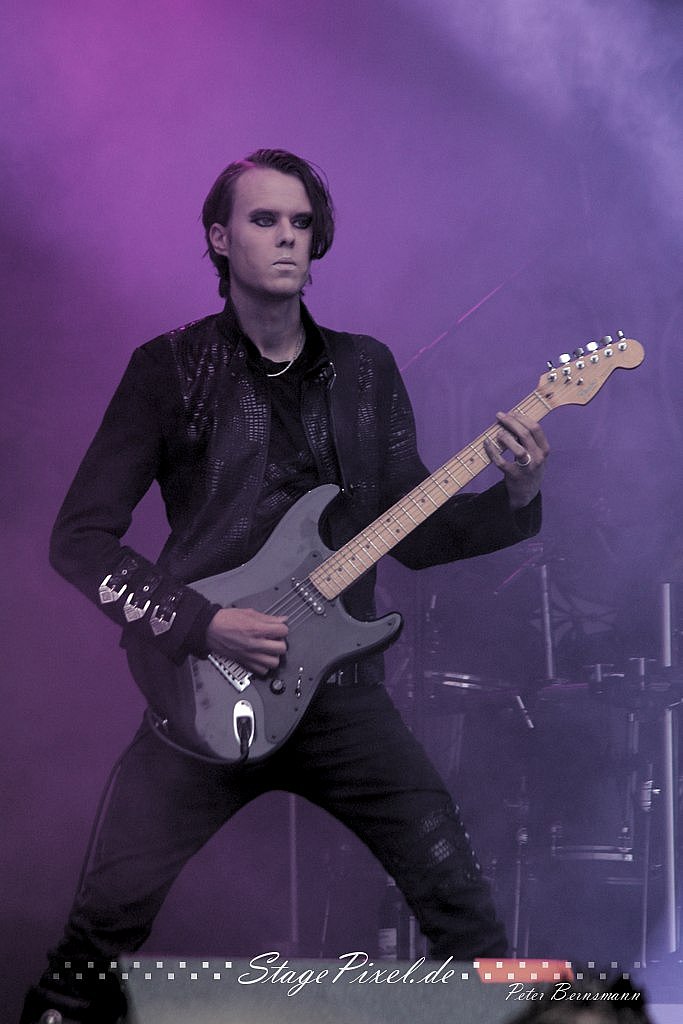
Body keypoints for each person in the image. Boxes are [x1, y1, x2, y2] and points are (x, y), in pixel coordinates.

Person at [21, 148, 549, 1023]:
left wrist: (518, 496)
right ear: (219, 238)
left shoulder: (366, 371)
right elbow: (78, 541)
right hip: (202, 693)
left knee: (468, 922)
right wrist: (202, 623)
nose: (286, 238)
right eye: (264, 220)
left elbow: (416, 535)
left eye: (301, 222)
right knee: (90, 952)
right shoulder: (168, 369)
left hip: (342, 697)